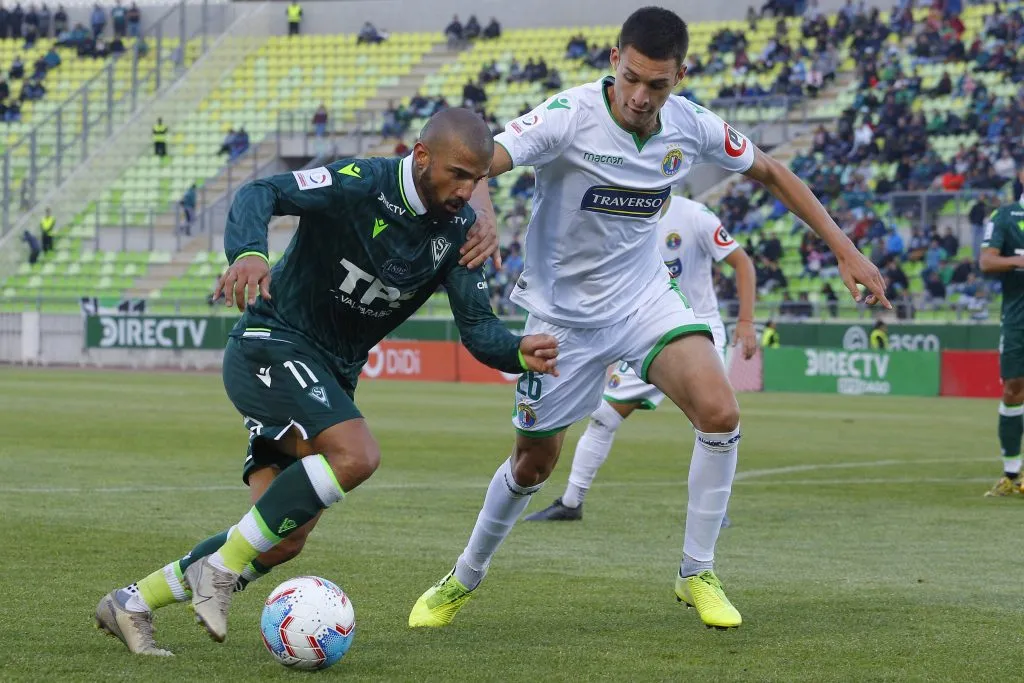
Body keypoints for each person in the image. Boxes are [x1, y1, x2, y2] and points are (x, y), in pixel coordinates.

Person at [409, 6, 887, 633]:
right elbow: (479, 157)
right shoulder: (568, 116)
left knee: (720, 412)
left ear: (679, 77)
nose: (640, 96)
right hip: (562, 320)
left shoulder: (691, 125)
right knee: (532, 465)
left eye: (657, 85)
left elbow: (772, 171)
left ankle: (698, 571)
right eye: (632, 78)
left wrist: (844, 248)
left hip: (644, 300)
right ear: (615, 60)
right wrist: (487, 210)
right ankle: (464, 576)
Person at [93, 108, 557, 654]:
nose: (466, 190)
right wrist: (249, 253)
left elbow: (478, 329)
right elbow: (260, 192)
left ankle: (132, 602)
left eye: (476, 179)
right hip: (272, 341)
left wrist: (516, 350)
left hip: (332, 373)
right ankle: (218, 571)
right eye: (457, 174)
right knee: (357, 455)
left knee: (283, 538)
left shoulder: (460, 233)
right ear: (421, 156)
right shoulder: (359, 182)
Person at [524, 195, 758, 522]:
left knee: (713, 419)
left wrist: (745, 321)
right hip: (647, 329)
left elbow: (742, 263)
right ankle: (571, 503)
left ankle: (715, 512)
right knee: (604, 416)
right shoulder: (624, 215)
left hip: (697, 329)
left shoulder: (696, 216)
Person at [979, 166, 1024, 497]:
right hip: (1018, 319)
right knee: (1013, 388)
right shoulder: (1006, 217)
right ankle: (1011, 473)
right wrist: (1019, 261)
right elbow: (987, 261)